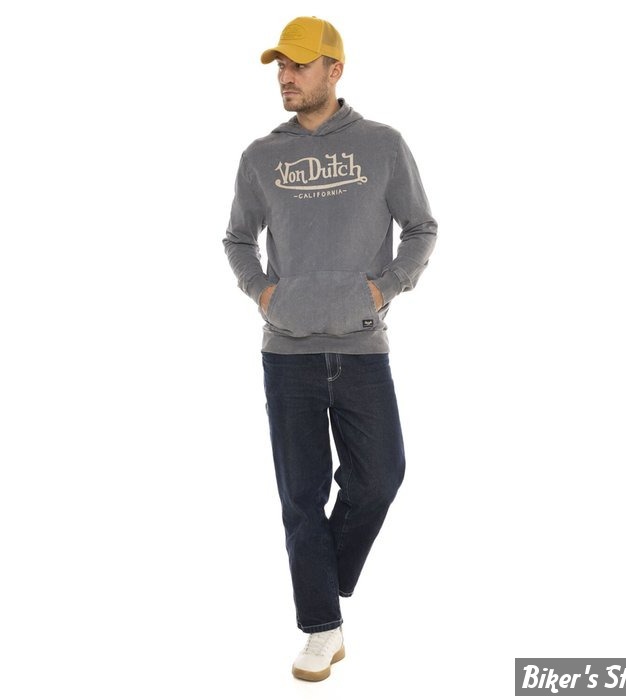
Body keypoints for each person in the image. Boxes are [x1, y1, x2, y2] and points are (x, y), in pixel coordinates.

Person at [223, 16, 437, 682]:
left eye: (298, 65)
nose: (285, 77)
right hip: (286, 353)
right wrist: (265, 294)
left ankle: (321, 575)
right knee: (301, 496)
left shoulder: (382, 145)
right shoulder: (261, 156)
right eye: (280, 66)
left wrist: (384, 289)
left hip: (362, 347)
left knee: (381, 477)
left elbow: (421, 228)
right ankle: (321, 628)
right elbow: (237, 240)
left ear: (334, 70)